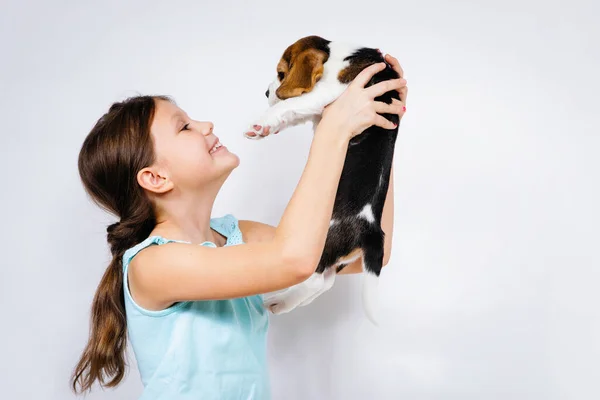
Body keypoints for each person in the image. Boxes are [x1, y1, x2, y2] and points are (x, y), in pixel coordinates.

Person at [71, 55, 408, 399]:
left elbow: (367, 254)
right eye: (184, 127)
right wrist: (333, 130)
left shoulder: (239, 236)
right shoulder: (153, 266)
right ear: (156, 178)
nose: (205, 125)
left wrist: (379, 135)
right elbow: (293, 260)